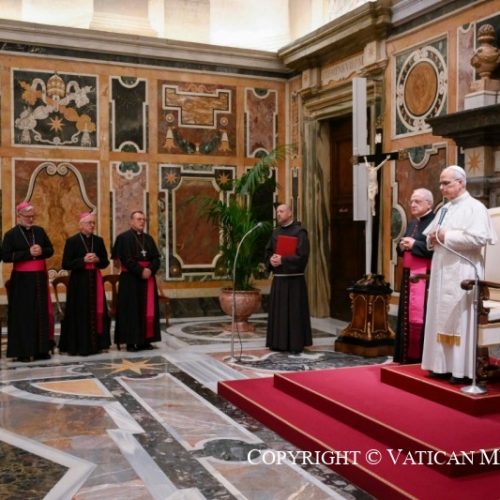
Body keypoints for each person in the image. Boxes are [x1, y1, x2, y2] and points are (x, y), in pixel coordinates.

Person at [421, 165, 497, 384]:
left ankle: (460, 370)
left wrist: (447, 235)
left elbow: (479, 238)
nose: (441, 187)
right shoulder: (444, 209)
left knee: (460, 320)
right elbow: (430, 237)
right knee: (439, 316)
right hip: (442, 269)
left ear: (461, 183)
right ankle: (440, 366)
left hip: (463, 270)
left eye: (446, 183)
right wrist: (432, 238)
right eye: (441, 183)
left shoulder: (475, 208)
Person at [2, 201, 54, 362]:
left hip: (39, 279)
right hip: (22, 281)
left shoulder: (39, 231)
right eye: (27, 216)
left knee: (41, 313)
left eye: (32, 216)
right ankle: (23, 352)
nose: (30, 219)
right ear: (19, 217)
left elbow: (50, 250)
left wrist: (41, 251)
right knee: (24, 315)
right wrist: (28, 252)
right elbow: (5, 256)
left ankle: (41, 350)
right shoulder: (11, 235)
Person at [59, 212, 111, 356]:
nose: (92, 225)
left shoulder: (98, 241)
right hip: (78, 283)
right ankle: (80, 346)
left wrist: (97, 260)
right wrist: (83, 260)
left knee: (97, 312)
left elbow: (105, 262)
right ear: (81, 225)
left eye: (93, 223)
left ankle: (99, 345)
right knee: (80, 313)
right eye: (89, 223)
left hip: (95, 281)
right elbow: (66, 264)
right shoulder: (72, 241)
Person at [394, 188, 435, 364]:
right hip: (407, 276)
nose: (412, 204)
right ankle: (405, 357)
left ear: (429, 204)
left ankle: (419, 359)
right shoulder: (412, 224)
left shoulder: (434, 223)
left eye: (417, 201)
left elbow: (436, 250)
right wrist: (402, 246)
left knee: (421, 317)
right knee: (406, 317)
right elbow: (402, 248)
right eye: (411, 201)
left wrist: (414, 244)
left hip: (424, 278)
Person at [265, 203, 312, 354]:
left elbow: (302, 255)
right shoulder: (275, 233)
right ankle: (277, 343)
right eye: (277, 211)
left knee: (294, 313)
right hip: (279, 280)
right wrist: (271, 260)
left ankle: (295, 343)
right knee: (279, 313)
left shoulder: (300, 232)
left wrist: (283, 260)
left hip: (294, 281)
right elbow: (268, 252)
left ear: (290, 213)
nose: (278, 214)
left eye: (281, 211)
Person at [111, 211, 161, 351]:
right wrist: (141, 271)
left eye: (143, 219)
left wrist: (150, 269)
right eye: (139, 219)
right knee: (131, 310)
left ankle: (145, 341)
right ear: (131, 221)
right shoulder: (123, 238)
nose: (142, 222)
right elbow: (125, 260)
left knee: (146, 310)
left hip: (147, 279)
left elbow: (156, 259)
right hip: (130, 280)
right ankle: (130, 342)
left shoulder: (148, 239)